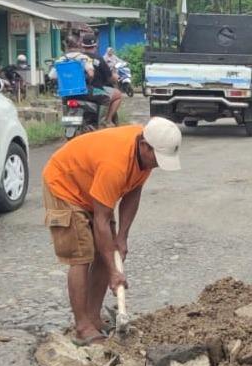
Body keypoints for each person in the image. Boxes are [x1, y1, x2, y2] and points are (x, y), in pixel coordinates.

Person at [42, 118, 182, 345]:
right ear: (145, 146)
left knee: (106, 251)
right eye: (157, 158)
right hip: (65, 186)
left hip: (92, 189)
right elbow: (101, 220)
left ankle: (94, 317)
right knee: (81, 256)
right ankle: (82, 327)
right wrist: (114, 272)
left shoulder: (145, 156)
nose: (158, 164)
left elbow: (133, 193)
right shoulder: (115, 163)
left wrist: (122, 238)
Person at [81, 35, 122, 126]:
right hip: (95, 91)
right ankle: (107, 120)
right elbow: (110, 78)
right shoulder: (99, 59)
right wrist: (115, 77)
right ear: (95, 46)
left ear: (82, 46)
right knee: (118, 94)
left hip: (77, 91)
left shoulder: (77, 58)